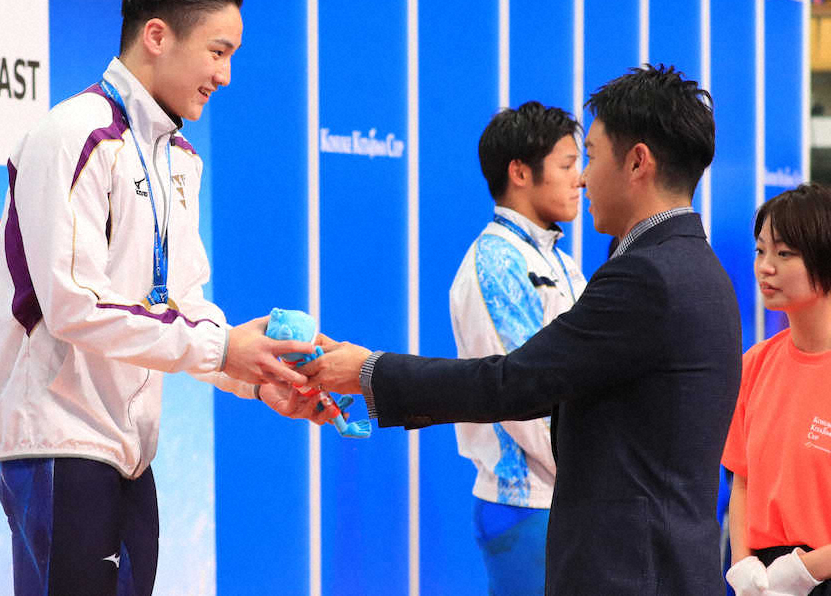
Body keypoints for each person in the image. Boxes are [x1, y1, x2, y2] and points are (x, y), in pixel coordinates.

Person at [301, 64, 743, 594]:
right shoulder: (693, 267)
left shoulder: (646, 274)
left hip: (627, 567)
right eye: (570, 163)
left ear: (637, 162)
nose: (582, 178)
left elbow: (513, 382)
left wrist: (369, 371)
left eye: (589, 158)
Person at [0, 0, 329, 596]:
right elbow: (74, 305)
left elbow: (182, 307)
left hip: (129, 453)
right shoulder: (73, 135)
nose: (225, 75)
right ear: (157, 36)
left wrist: (255, 377)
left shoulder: (179, 157)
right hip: (58, 441)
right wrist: (222, 348)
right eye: (217, 52)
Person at [450, 102, 585, 595]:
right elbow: (520, 398)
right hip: (525, 503)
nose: (581, 179)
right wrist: (592, 473)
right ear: (520, 173)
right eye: (567, 165)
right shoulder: (494, 264)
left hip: (563, 497)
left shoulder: (560, 262)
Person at [722, 184, 831, 596]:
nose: (765, 267)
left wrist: (806, 570)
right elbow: (743, 478)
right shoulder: (755, 364)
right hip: (765, 579)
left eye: (784, 254)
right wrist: (742, 563)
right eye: (760, 251)